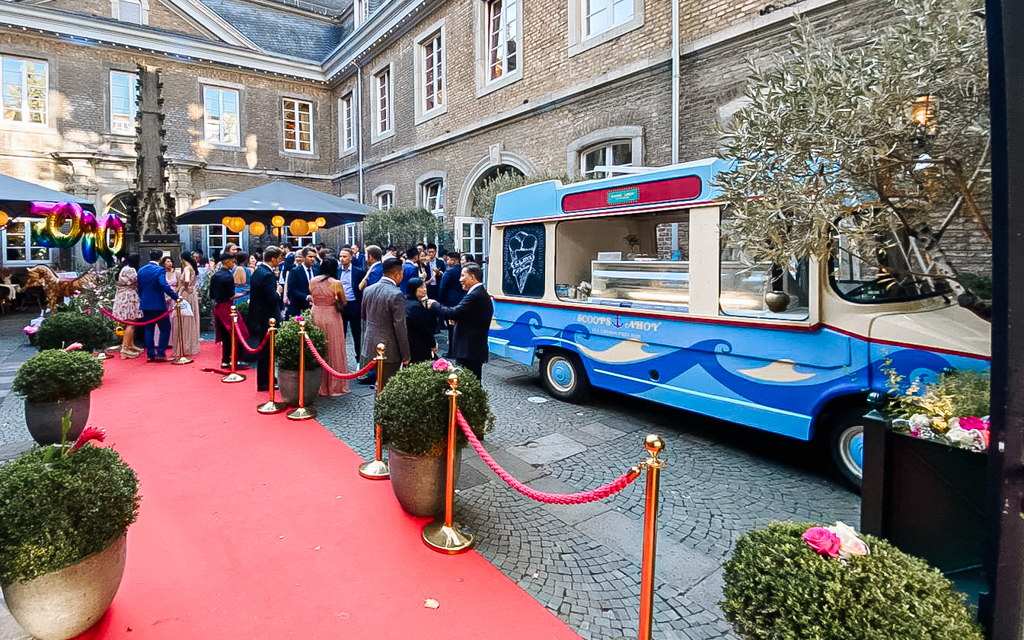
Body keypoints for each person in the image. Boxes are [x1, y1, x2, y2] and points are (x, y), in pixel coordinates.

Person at [430, 263, 492, 382]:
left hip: (470, 350)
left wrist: (435, 305)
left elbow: (454, 312)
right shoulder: (477, 293)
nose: (460, 280)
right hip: (471, 349)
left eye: (463, 276)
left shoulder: (475, 295)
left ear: (472, 277)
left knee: (469, 383)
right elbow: (469, 315)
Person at [360, 257, 410, 389]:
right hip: (389, 348)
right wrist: (406, 355)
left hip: (371, 344)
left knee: (379, 383)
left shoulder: (368, 290)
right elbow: (400, 327)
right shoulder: (396, 294)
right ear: (396, 273)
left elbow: (364, 320)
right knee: (387, 386)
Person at [310, 258, 349, 397]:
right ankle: (334, 384)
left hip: (316, 314)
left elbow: (313, 297)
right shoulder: (336, 283)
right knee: (333, 348)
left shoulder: (313, 280)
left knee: (317, 348)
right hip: (331, 316)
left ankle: (317, 382)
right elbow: (343, 301)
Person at [248, 246, 284, 392]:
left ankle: (266, 378)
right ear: (273, 258)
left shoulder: (258, 271)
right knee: (267, 351)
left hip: (260, 315)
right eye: (279, 258)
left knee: (265, 351)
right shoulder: (267, 275)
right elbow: (271, 299)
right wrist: (279, 292)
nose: (280, 261)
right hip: (268, 317)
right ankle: (265, 381)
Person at [136, 250, 179, 363]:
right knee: (165, 328)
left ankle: (150, 355)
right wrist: (175, 296)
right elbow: (163, 284)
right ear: (160, 259)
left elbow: (139, 287)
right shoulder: (159, 269)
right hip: (158, 303)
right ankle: (160, 353)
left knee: (149, 329)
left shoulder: (141, 270)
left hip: (145, 303)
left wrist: (143, 298)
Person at [211, 253, 249, 369]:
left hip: (218, 307)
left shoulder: (215, 276)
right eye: (232, 261)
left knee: (225, 335)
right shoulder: (227, 276)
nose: (233, 264)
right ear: (226, 262)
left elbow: (212, 295)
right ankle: (237, 360)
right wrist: (244, 293)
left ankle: (225, 360)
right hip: (227, 308)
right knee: (240, 333)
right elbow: (231, 296)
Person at [112, 253, 142, 359]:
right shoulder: (131, 270)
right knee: (131, 323)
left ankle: (130, 345)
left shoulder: (123, 268)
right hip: (129, 297)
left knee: (131, 322)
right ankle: (125, 348)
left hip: (123, 296)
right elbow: (138, 281)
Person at [337, 247, 364, 359]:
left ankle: (358, 358)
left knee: (356, 333)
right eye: (340, 257)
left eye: (344, 256)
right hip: (341, 305)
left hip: (354, 304)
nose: (342, 259)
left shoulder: (358, 272)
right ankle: (341, 358)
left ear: (351, 258)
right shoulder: (337, 271)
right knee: (340, 333)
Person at [404, 277, 438, 363]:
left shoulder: (406, 300)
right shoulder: (415, 307)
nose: (424, 289)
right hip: (418, 343)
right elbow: (424, 328)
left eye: (424, 287)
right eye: (421, 287)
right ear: (414, 289)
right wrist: (432, 344)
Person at [174, 252, 201, 358]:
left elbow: (186, 280)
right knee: (190, 316)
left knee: (184, 317)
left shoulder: (186, 268)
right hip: (192, 292)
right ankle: (188, 344)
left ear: (182, 259)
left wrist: (185, 287)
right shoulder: (192, 267)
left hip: (186, 293)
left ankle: (184, 345)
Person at [438, 251, 464, 356]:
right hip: (462, 300)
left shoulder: (449, 272)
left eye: (448, 259)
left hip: (451, 302)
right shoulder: (463, 270)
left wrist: (441, 303)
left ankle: (452, 351)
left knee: (451, 327)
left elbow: (442, 288)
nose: (447, 261)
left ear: (453, 261)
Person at [286, 247, 318, 318]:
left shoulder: (317, 271)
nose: (312, 259)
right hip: (298, 306)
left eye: (314, 257)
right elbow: (292, 289)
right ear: (303, 257)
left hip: (314, 307)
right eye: (310, 257)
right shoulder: (295, 271)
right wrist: (306, 297)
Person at [158, 256, 178, 349]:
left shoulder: (176, 273)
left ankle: (173, 341)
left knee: (173, 319)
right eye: (167, 261)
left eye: (171, 261)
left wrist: (173, 294)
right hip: (163, 296)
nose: (169, 263)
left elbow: (179, 285)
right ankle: (162, 342)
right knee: (163, 319)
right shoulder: (160, 272)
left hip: (173, 296)